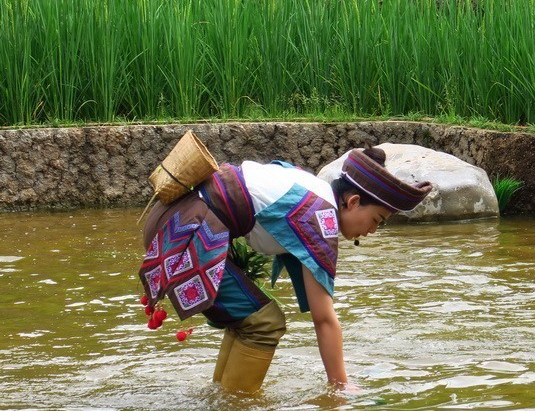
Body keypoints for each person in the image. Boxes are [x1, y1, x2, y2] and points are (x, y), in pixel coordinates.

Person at [139, 147, 431, 393]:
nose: (372, 231)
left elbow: (321, 309)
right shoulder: (320, 214)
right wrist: (341, 387)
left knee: (250, 320)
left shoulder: (309, 186)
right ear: (353, 202)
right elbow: (324, 318)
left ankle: (220, 399)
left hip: (175, 224)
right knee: (265, 323)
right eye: (377, 219)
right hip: (186, 234)